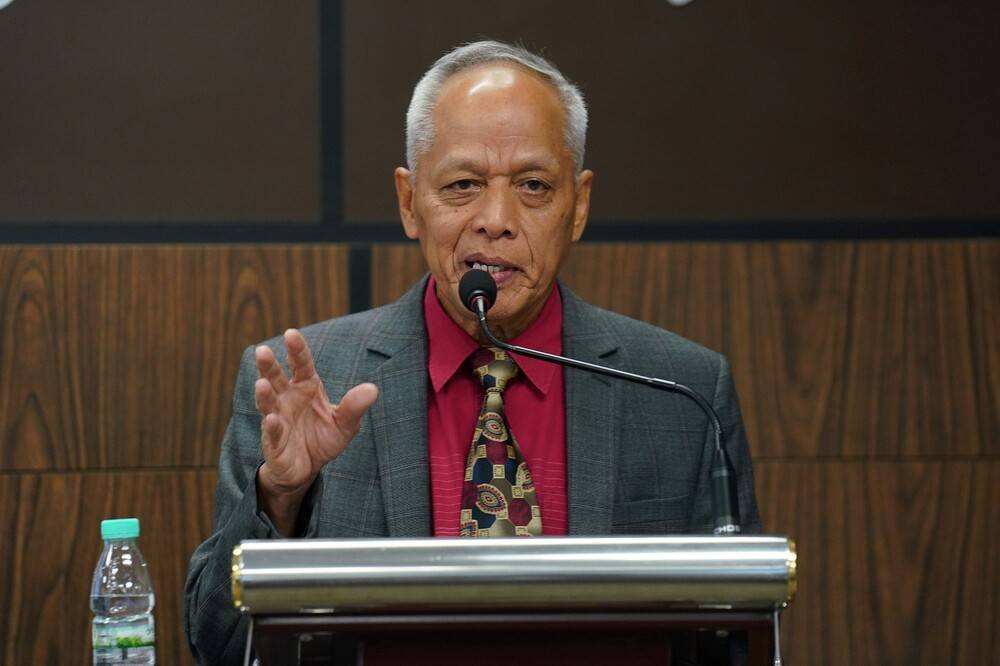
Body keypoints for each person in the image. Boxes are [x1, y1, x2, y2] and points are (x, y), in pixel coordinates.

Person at [184, 40, 761, 664]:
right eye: (463, 185)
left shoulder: (682, 393)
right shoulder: (308, 384)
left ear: (579, 205)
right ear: (409, 202)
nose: (496, 219)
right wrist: (280, 497)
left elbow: (737, 640)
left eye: (534, 186)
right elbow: (216, 643)